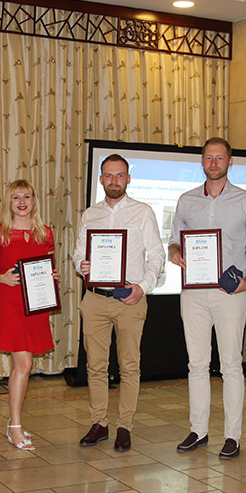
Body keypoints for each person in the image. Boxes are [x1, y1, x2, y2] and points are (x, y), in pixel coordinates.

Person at [169, 137, 246, 460]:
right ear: (202, 161)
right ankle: (198, 430)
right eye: (208, 158)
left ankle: (232, 436)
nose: (213, 163)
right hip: (193, 293)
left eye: (219, 158)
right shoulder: (186, 201)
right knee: (196, 364)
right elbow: (174, 240)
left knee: (231, 365)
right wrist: (175, 252)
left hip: (230, 293)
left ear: (230, 162)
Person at [72, 154, 165, 452]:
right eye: (109, 175)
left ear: (128, 179)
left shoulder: (143, 212)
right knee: (95, 366)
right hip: (95, 299)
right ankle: (99, 423)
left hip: (129, 299)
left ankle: (125, 426)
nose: (114, 180)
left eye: (120, 175)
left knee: (129, 366)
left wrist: (143, 287)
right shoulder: (90, 215)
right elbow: (78, 253)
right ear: (101, 179)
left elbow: (157, 256)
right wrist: (82, 265)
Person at [0, 180, 57, 451]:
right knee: (24, 364)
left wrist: (52, 277)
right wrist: (1, 277)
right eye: (16, 197)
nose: (22, 202)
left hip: (35, 305)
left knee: (24, 365)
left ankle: (14, 423)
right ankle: (14, 426)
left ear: (34, 201)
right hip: (10, 303)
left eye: (27, 196)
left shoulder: (45, 233)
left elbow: (47, 266)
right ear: (9, 202)